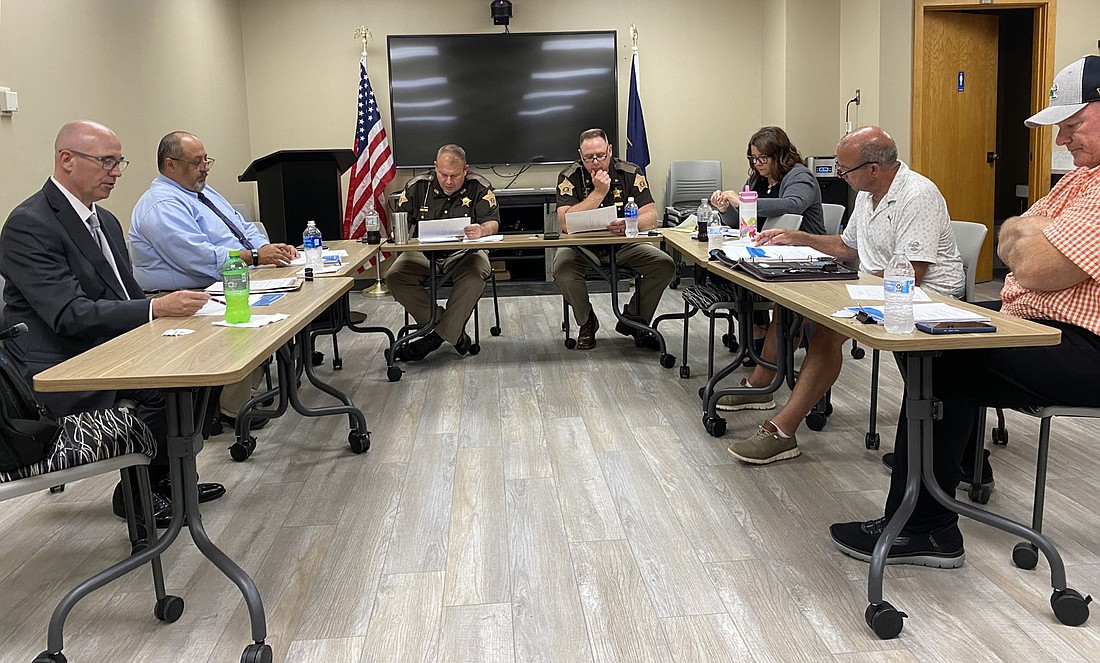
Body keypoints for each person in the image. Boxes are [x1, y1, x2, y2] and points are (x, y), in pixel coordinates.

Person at [830, 55, 1100, 568]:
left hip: (1083, 343)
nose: (1062, 141)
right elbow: (1012, 236)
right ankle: (949, 471)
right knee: (937, 344)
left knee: (942, 357)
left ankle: (925, 526)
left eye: (1072, 124)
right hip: (1034, 323)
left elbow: (1037, 265)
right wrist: (1027, 237)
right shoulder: (1079, 180)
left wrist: (1030, 240)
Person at [0, 120, 214, 527]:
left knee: (200, 364)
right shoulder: (30, 224)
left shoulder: (107, 222)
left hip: (108, 346)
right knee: (164, 388)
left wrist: (166, 318)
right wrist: (156, 310)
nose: (116, 173)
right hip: (60, 365)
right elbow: (68, 314)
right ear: (67, 160)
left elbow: (126, 296)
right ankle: (136, 494)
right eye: (106, 162)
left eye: (119, 163)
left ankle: (173, 478)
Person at [724, 126, 964, 465]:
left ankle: (782, 430)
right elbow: (846, 246)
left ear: (873, 169)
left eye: (843, 169)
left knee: (826, 326)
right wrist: (797, 238)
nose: (839, 175)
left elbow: (912, 273)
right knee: (799, 311)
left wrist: (846, 287)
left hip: (926, 297)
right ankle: (766, 392)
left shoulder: (917, 195)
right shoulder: (867, 195)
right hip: (876, 287)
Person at [129, 131, 298, 427]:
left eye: (206, 160)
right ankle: (230, 409)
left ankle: (245, 392)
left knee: (279, 308)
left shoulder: (202, 193)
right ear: (170, 165)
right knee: (249, 320)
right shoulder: (161, 204)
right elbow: (198, 257)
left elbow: (244, 227)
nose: (205, 167)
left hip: (219, 282)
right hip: (178, 295)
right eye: (197, 162)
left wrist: (263, 249)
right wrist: (255, 257)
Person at [709, 126, 826, 367]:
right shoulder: (756, 179)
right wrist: (725, 209)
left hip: (802, 252)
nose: (758, 164)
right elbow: (743, 222)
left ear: (780, 155)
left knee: (741, 276)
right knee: (719, 269)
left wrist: (743, 200)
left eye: (763, 158)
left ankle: (764, 338)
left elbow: (793, 205)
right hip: (768, 249)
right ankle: (757, 331)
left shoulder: (800, 176)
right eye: (753, 158)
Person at [554, 128, 675, 350]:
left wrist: (632, 224)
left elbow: (651, 216)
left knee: (664, 264)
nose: (596, 162)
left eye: (600, 155)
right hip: (582, 248)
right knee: (562, 268)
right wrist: (599, 192)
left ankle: (635, 320)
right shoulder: (568, 176)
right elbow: (565, 223)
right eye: (589, 158)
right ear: (580, 155)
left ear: (610, 151)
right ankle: (587, 321)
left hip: (623, 245)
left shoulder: (630, 172)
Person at [391, 144, 499, 361]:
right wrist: (396, 235)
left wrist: (482, 230)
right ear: (435, 168)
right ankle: (451, 330)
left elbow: (493, 224)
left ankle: (433, 338)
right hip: (423, 253)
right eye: (443, 174)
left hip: (464, 253)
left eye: (455, 175)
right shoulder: (417, 186)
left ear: (465, 170)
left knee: (475, 275)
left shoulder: (479, 187)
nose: (449, 181)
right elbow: (399, 225)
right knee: (395, 276)